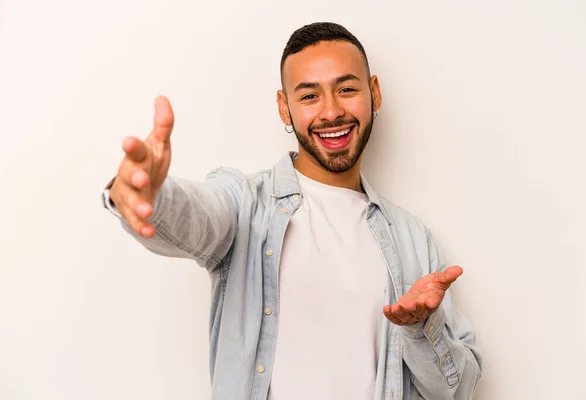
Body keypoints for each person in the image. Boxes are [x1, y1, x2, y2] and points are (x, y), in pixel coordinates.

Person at [102, 22, 482, 400]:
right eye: (309, 96)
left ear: (374, 93)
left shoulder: (413, 239)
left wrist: (420, 328)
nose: (331, 112)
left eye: (347, 89)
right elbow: (198, 215)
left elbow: (458, 390)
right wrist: (150, 196)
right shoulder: (247, 204)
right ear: (285, 107)